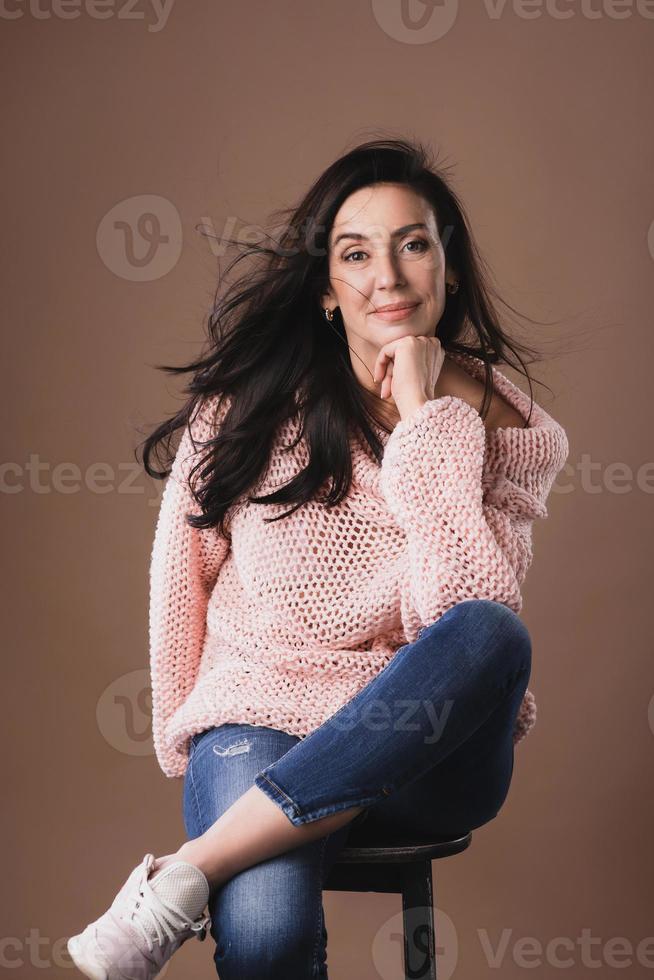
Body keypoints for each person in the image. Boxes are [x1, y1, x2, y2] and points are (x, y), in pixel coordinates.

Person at [67, 138, 569, 980]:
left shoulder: (499, 431)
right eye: (355, 253)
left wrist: (423, 417)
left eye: (414, 245)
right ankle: (224, 854)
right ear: (329, 290)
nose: (389, 276)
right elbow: (179, 578)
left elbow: (459, 614)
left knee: (493, 634)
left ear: (448, 270)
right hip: (257, 725)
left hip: (422, 754)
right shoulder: (248, 406)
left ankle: (186, 873)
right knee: (267, 938)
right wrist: (187, 738)